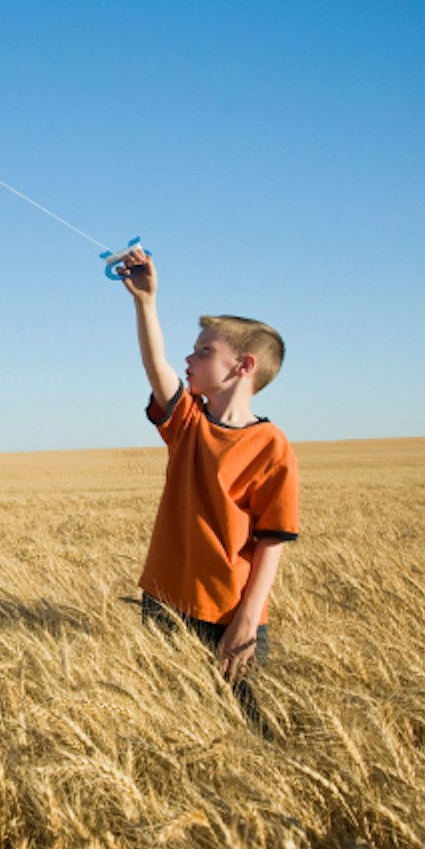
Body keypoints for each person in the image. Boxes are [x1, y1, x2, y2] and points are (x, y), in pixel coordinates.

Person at [115, 247, 298, 734]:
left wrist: (247, 620)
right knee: (175, 724)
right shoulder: (187, 423)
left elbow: (271, 542)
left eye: (203, 351)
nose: (188, 358)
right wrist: (145, 303)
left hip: (230, 612)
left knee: (252, 729)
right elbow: (156, 366)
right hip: (164, 599)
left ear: (243, 366)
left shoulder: (272, 446)